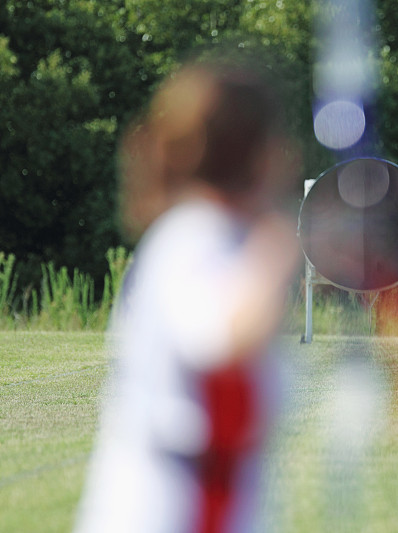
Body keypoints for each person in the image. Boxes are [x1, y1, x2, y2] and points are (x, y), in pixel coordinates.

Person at [74, 51, 300, 533]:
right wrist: (281, 248)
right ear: (260, 154)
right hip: (169, 509)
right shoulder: (194, 236)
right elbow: (221, 337)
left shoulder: (221, 237)